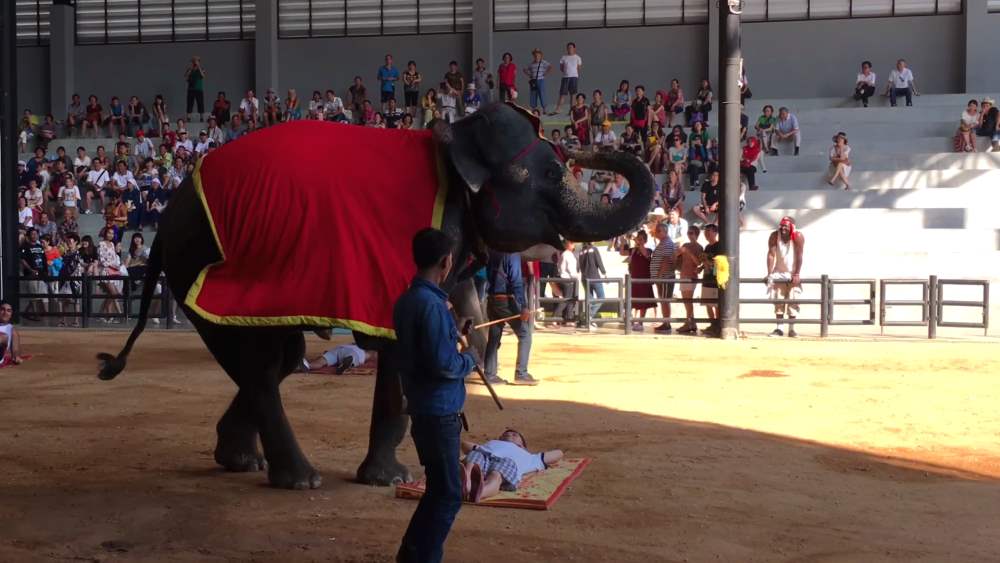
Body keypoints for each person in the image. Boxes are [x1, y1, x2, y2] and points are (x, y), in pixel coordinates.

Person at [394, 228, 478, 563]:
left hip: (426, 407)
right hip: (438, 410)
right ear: (446, 262)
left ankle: (413, 553)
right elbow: (443, 363)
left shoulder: (409, 300)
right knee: (447, 494)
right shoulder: (430, 305)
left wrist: (453, 334)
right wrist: (468, 358)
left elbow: (429, 351)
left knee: (440, 490)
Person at [460, 429, 564, 503]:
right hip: (485, 455)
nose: (509, 435)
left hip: (508, 462)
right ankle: (467, 484)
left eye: (514, 435)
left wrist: (539, 457)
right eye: (506, 434)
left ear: (522, 445)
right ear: (500, 438)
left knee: (496, 475)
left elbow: (559, 453)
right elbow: (464, 444)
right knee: (474, 458)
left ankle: (479, 493)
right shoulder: (491, 443)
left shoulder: (530, 456)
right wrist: (479, 448)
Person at [483, 250, 537, 385]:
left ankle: (490, 374)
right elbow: (516, 281)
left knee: (494, 337)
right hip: (506, 300)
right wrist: (523, 306)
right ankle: (521, 373)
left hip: (492, 298)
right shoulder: (512, 254)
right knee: (525, 334)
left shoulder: (493, 251)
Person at [766, 216, 805, 338]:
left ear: (792, 227)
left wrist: (797, 273)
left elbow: (799, 255)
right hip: (779, 272)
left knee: (793, 300)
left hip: (793, 272)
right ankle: (779, 329)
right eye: (781, 225)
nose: (783, 228)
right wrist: (769, 273)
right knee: (778, 301)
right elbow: (771, 254)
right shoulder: (774, 235)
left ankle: (792, 329)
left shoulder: (798, 236)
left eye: (785, 226)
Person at [620, 230, 654, 331]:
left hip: (644, 279)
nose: (639, 240)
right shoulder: (634, 250)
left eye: (641, 239)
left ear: (645, 240)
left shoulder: (648, 250)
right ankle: (632, 321)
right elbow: (622, 253)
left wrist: (637, 241)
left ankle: (640, 322)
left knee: (644, 302)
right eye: (638, 238)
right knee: (633, 300)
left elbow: (645, 254)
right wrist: (623, 242)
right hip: (634, 278)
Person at [674, 225, 705, 334]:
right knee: (686, 300)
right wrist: (679, 251)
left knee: (688, 300)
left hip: (691, 276)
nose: (689, 235)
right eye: (688, 233)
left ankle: (689, 322)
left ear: (696, 234)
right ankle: (691, 322)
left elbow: (699, 263)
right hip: (683, 274)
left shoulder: (699, 247)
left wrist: (689, 253)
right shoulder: (685, 245)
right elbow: (675, 256)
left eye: (691, 233)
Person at [650, 221, 676, 334]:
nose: (656, 233)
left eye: (659, 231)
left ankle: (667, 323)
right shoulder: (663, 243)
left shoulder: (667, 243)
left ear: (665, 231)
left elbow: (666, 261)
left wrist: (659, 276)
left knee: (665, 300)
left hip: (665, 277)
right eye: (656, 231)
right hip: (661, 277)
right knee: (663, 300)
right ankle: (665, 322)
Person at [577, 241, 606, 329]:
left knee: (590, 300)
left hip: (584, 278)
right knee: (601, 298)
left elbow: (579, 267)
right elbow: (599, 261)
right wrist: (604, 273)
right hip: (594, 277)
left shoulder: (581, 251)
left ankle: (587, 319)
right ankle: (588, 316)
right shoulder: (594, 249)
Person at [551, 241, 580, 327]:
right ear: (568, 245)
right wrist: (576, 277)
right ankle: (555, 318)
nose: (573, 245)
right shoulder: (568, 254)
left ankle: (568, 318)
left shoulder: (564, 254)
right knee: (567, 300)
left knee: (568, 300)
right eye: (572, 243)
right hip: (568, 279)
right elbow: (571, 269)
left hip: (563, 278)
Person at [700, 224, 721, 337]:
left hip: (714, 280)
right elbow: (705, 261)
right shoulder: (707, 247)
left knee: (716, 304)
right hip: (706, 279)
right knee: (708, 304)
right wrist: (701, 267)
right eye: (705, 231)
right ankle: (712, 324)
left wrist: (708, 264)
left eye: (709, 231)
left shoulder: (719, 246)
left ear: (715, 232)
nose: (706, 234)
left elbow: (718, 263)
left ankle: (717, 325)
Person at [552, 42, 582, 115]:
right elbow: (561, 68)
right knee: (562, 94)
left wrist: (573, 74)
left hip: (574, 77)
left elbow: (579, 68)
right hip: (565, 77)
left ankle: (571, 111)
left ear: (574, 48)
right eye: (568, 48)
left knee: (573, 95)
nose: (570, 49)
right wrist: (567, 73)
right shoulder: (563, 57)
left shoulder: (578, 57)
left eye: (571, 47)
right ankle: (558, 109)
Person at [302, 343, 371, 374]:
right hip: (354, 353)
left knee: (321, 362)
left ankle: (307, 364)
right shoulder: (365, 352)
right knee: (352, 358)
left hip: (338, 349)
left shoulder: (353, 344)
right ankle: (345, 363)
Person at [524, 48, 552, 114]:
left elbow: (550, 66)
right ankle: (533, 109)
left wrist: (545, 73)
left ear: (540, 55)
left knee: (542, 94)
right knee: (533, 94)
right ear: (533, 55)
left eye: (538, 54)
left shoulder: (543, 62)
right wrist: (529, 74)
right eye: (535, 55)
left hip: (541, 80)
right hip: (533, 81)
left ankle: (544, 109)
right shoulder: (531, 64)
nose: (536, 56)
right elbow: (525, 69)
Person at [0, 301, 24, 366]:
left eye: (8, 311)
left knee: (3, 337)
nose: (5, 313)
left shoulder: (12, 330)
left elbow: (15, 350)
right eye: (2, 309)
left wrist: (16, 357)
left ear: (11, 314)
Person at [184, 56, 207, 121]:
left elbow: (203, 76)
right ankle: (188, 117)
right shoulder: (190, 69)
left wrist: (198, 67)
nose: (195, 62)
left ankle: (201, 117)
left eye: (196, 61)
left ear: (199, 62)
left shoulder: (202, 69)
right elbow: (186, 77)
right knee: (189, 103)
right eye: (194, 61)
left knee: (200, 103)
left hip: (199, 89)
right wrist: (190, 70)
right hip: (191, 88)